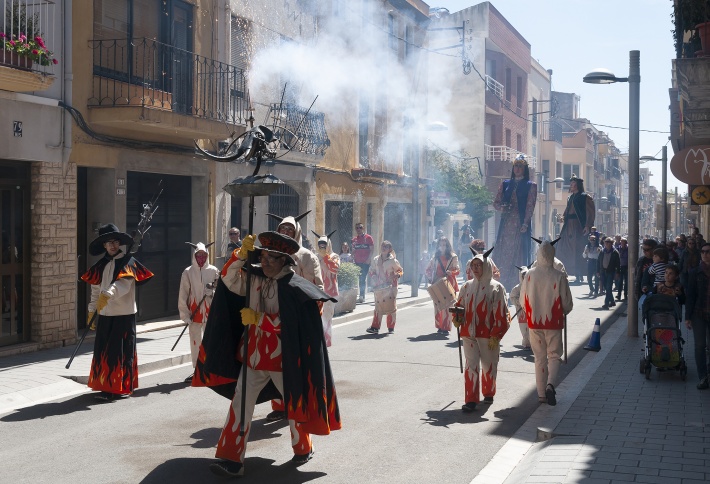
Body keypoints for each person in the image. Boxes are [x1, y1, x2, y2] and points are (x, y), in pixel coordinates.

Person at [203, 232, 341, 477]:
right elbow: (228, 279)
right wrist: (239, 255)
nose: (264, 262)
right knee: (239, 405)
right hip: (253, 357)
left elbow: (292, 325)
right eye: (262, 256)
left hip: (282, 360)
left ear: (284, 261)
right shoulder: (254, 278)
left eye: (270, 258)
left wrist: (260, 320)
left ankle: (303, 447)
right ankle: (231, 459)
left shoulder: (294, 287)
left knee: (294, 405)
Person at [80, 223, 154, 401]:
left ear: (119, 243)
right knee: (104, 352)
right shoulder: (101, 264)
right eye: (108, 243)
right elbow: (96, 290)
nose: (112, 245)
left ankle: (120, 388)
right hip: (105, 314)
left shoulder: (127, 262)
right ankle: (106, 386)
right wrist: (92, 309)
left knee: (120, 353)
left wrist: (110, 292)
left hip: (123, 315)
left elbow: (125, 284)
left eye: (115, 242)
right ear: (104, 246)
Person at [267, 211, 323, 422]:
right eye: (283, 229)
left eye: (290, 229)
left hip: (297, 315)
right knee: (274, 361)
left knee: (295, 363)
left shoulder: (306, 256)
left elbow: (315, 287)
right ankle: (279, 404)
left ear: (297, 232)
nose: (286, 232)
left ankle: (297, 403)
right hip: (273, 314)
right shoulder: (270, 253)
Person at [452, 249, 510, 411]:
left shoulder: (496, 288)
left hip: (488, 334)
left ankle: (488, 392)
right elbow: (459, 306)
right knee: (471, 366)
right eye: (473, 265)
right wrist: (457, 317)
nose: (475, 268)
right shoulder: (466, 286)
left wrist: (496, 335)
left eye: (479, 265)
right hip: (468, 333)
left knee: (488, 364)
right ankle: (470, 400)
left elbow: (502, 313)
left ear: (486, 266)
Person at [520, 239, 573, 406]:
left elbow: (522, 300)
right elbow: (567, 303)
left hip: (535, 322)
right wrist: (564, 310)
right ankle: (551, 384)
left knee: (539, 358)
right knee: (554, 355)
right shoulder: (559, 275)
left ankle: (541, 394)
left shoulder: (529, 275)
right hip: (554, 321)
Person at [493, 154, 538, 291]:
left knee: (519, 253)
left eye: (520, 166)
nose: (517, 168)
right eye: (515, 166)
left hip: (520, 225)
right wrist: (502, 208)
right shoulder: (505, 184)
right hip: (506, 224)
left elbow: (530, 206)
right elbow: (496, 202)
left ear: (525, 169)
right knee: (502, 252)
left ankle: (517, 285)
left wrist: (525, 223)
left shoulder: (531, 185)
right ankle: (500, 283)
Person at [178, 241, 219, 382]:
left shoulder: (214, 270)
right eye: (198, 255)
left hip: (210, 312)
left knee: (211, 342)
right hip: (194, 312)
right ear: (194, 256)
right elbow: (183, 294)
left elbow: (220, 290)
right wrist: (185, 315)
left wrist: (212, 292)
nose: (201, 258)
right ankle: (197, 370)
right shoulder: (188, 272)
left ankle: (211, 369)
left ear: (207, 256)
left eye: (203, 255)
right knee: (195, 342)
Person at [555, 175, 595, 284]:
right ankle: (564, 272)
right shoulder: (570, 198)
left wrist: (587, 225)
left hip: (578, 227)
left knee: (578, 250)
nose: (571, 185)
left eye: (573, 183)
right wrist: (562, 218)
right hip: (568, 227)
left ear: (577, 185)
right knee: (562, 248)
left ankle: (579, 274)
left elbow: (590, 212)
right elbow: (567, 211)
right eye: (571, 183)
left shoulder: (584, 197)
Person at [684, 242, 710, 390]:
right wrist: (687, 317)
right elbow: (691, 296)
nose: (705, 254)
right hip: (699, 313)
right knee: (700, 346)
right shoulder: (695, 272)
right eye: (703, 252)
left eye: (708, 252)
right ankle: (703, 377)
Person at [365, 241, 403, 334]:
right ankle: (375, 327)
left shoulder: (393, 260)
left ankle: (391, 327)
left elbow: (400, 271)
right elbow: (371, 270)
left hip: (391, 287)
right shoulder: (375, 259)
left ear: (390, 249)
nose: (383, 248)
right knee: (378, 307)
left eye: (386, 246)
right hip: (379, 287)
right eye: (382, 246)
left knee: (390, 306)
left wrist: (396, 276)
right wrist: (373, 276)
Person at [425, 237, 460, 336]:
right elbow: (428, 269)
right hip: (436, 283)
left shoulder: (453, 257)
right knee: (437, 305)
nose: (442, 247)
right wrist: (430, 278)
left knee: (448, 306)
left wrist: (451, 272)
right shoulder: (435, 257)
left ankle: (446, 327)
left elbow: (458, 270)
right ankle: (439, 326)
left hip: (448, 283)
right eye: (440, 245)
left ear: (448, 246)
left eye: (444, 245)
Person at [313, 230, 340, 347]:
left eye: (324, 245)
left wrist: (326, 258)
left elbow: (335, 269)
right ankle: (319, 341)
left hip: (330, 292)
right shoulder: (315, 256)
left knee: (327, 317)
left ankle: (326, 342)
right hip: (317, 291)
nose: (322, 247)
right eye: (320, 245)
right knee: (317, 318)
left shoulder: (335, 256)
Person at [508, 265, 531, 349]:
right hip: (521, 312)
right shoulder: (517, 288)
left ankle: (533, 343)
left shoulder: (533, 285)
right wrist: (520, 302)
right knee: (524, 328)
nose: (524, 276)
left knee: (532, 327)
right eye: (523, 275)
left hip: (531, 310)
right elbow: (512, 297)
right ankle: (526, 343)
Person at [352, 222, 374, 303]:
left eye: (360, 227)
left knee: (362, 278)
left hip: (365, 262)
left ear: (363, 228)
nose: (358, 229)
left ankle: (362, 296)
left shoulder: (368, 238)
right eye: (357, 228)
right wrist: (352, 257)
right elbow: (354, 250)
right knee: (359, 278)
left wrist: (369, 259)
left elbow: (372, 249)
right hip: (357, 262)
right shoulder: (354, 239)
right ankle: (361, 295)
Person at [597, 238, 621, 310]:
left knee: (608, 287)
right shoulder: (602, 251)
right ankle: (612, 301)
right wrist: (597, 271)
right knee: (606, 287)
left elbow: (618, 264)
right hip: (602, 272)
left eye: (609, 242)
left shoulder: (615, 252)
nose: (607, 244)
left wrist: (617, 272)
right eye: (606, 242)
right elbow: (598, 262)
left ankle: (606, 303)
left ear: (611, 243)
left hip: (610, 272)